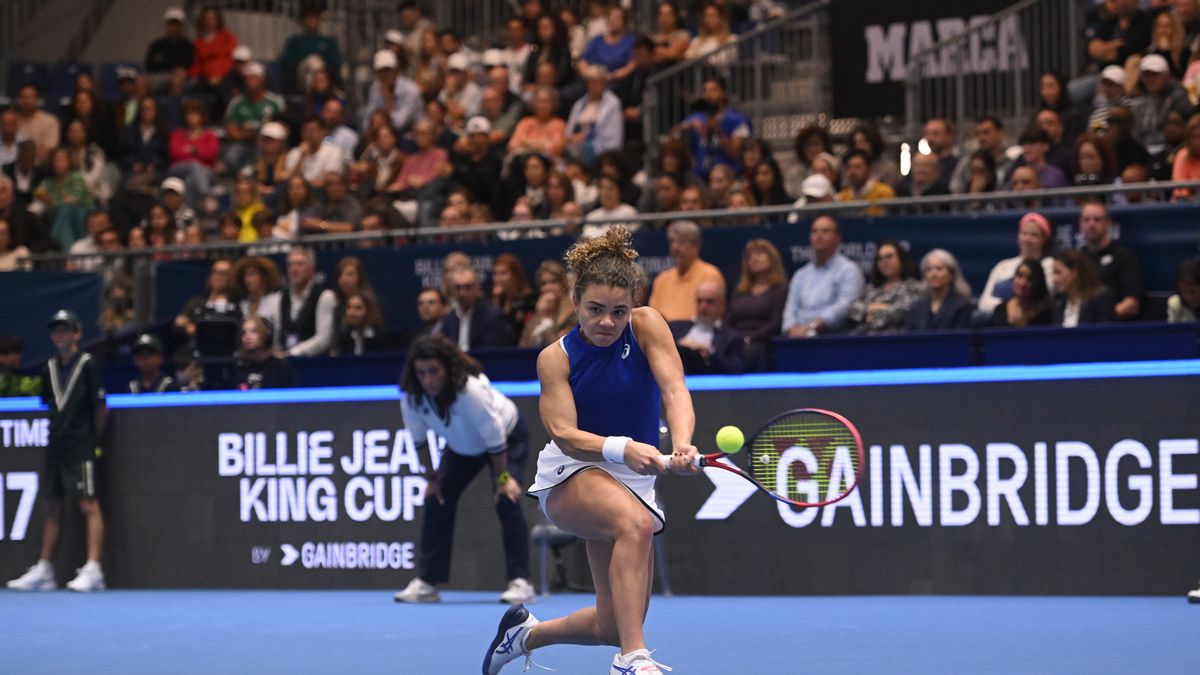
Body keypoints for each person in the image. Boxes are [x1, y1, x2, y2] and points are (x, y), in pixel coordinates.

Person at [483, 225, 698, 675]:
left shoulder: (647, 326)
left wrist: (681, 444)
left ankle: (524, 635)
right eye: (595, 309)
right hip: (572, 474)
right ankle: (632, 660)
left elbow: (675, 389)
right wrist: (622, 448)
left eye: (618, 312)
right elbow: (563, 432)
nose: (607, 322)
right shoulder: (554, 358)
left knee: (611, 624)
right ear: (575, 302)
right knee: (636, 524)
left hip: (633, 479)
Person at [393, 335, 534, 605]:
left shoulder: (470, 391)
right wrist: (432, 479)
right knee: (437, 498)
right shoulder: (412, 395)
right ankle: (427, 583)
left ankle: (521, 582)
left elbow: (495, 439)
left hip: (506, 437)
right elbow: (419, 440)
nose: (428, 379)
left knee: (507, 499)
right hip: (462, 446)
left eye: (433, 371)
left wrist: (502, 479)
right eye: (421, 373)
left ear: (448, 368)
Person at [7, 310, 108, 592]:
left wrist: (93, 442)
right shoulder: (48, 367)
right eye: (56, 331)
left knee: (88, 503)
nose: (60, 335)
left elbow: (101, 408)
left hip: (81, 444)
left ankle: (94, 568)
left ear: (77, 334)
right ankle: (45, 568)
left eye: (66, 330)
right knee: (52, 504)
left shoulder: (88, 365)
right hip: (56, 446)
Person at [782, 215, 864, 336]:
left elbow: (846, 305)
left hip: (834, 338)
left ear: (837, 239)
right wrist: (790, 328)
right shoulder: (801, 274)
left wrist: (814, 325)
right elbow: (790, 306)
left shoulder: (849, 270)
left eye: (825, 231)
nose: (819, 235)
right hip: (798, 337)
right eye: (814, 231)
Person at [978, 212, 1058, 315]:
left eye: (1034, 235)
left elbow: (1042, 298)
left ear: (1044, 239)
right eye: (1024, 233)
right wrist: (1007, 307)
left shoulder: (1049, 264)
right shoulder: (1002, 266)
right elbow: (983, 303)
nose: (1028, 239)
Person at [726, 239, 788, 370]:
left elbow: (775, 323)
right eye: (750, 256)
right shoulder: (740, 291)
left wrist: (750, 338)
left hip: (762, 342)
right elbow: (729, 319)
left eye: (759, 254)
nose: (753, 258)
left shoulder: (780, 290)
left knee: (752, 351)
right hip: (736, 340)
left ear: (772, 258)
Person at [647, 220, 726, 322]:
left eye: (681, 242)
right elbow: (652, 316)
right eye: (672, 242)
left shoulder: (710, 274)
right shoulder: (662, 278)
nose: (675, 247)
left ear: (695, 246)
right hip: (662, 333)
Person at [1078, 199, 1144, 319]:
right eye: (1086, 220)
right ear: (1080, 224)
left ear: (1108, 223)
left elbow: (1132, 303)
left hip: (1113, 327)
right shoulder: (1077, 259)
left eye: (1097, 220)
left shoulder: (1124, 257)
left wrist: (1104, 318)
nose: (1091, 224)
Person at [669, 280, 745, 375]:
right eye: (699, 301)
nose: (703, 306)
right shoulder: (676, 328)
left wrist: (710, 354)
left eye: (709, 301)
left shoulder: (732, 337)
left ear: (722, 305)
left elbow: (736, 369)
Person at [847, 241, 923, 335]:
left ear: (901, 260)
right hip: (862, 340)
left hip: (894, 341)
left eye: (889, 257)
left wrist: (869, 311)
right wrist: (873, 309)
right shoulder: (871, 288)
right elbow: (852, 310)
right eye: (880, 259)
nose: (884, 262)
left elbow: (900, 313)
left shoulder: (914, 287)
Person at [439, 266, 517, 350]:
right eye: (458, 288)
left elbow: (491, 351)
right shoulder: (448, 319)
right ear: (452, 290)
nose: (462, 293)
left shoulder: (492, 316)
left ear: (477, 288)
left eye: (467, 287)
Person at [279, 245, 338, 356]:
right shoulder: (282, 297)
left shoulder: (325, 296)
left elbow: (324, 339)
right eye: (290, 265)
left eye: (299, 264)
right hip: (286, 363)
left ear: (311, 269)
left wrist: (293, 352)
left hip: (315, 364)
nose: (294, 269)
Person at [905, 249, 974, 331]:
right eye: (929, 269)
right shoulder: (916, 308)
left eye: (939, 269)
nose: (933, 274)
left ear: (951, 275)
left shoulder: (961, 306)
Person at [519, 260, 578, 348]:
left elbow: (559, 348)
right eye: (543, 284)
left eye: (553, 282)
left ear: (563, 284)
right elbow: (524, 346)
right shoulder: (538, 313)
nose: (548, 288)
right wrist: (542, 315)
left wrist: (548, 317)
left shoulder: (573, 314)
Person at [1051, 250, 1115, 326]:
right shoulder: (1059, 305)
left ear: (1075, 272)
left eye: (1058, 272)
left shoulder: (1100, 299)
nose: (1054, 279)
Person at [233, 316, 295, 389]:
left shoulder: (281, 367)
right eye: (243, 332)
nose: (247, 336)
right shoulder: (235, 367)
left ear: (266, 335)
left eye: (253, 331)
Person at [990, 259, 1054, 327]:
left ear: (1038, 283)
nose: (1023, 283)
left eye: (1030, 279)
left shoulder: (1046, 312)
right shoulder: (1000, 310)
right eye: (1020, 276)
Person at [1167, 256, 1200, 322]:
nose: (1189, 298)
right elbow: (1174, 331)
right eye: (1184, 292)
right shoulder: (1176, 304)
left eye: (1192, 292)